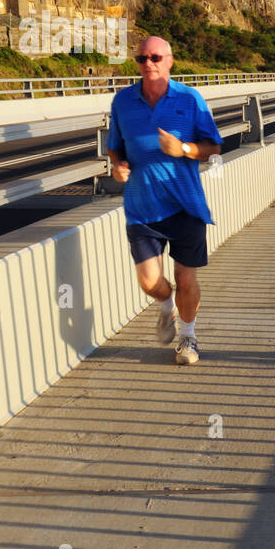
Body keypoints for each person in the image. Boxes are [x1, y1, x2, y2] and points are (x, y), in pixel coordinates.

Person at [106, 36, 223, 365]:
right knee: (149, 282)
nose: (148, 64)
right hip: (141, 208)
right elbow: (115, 145)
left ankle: (188, 337)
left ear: (170, 61)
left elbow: (213, 145)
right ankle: (166, 306)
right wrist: (118, 166)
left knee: (186, 278)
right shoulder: (123, 102)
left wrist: (184, 149)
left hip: (185, 206)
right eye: (142, 58)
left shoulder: (189, 99)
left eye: (155, 57)